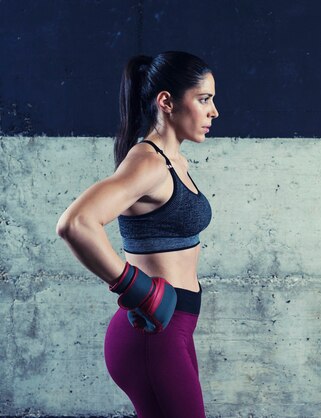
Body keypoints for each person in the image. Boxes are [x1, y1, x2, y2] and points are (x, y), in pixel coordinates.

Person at [56, 51, 218, 418]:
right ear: (166, 102)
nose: (214, 112)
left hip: (173, 328)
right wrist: (136, 289)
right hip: (152, 333)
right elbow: (76, 223)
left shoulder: (174, 161)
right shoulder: (149, 163)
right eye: (204, 99)